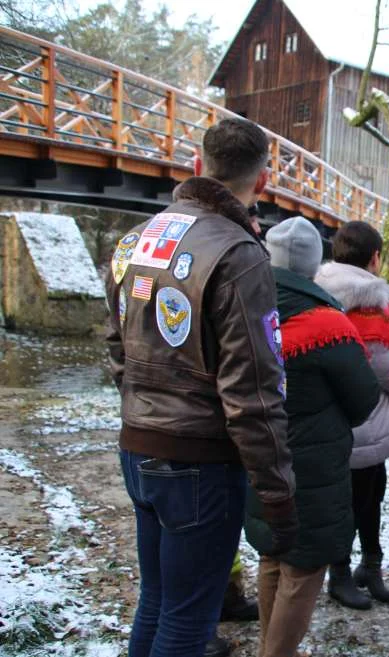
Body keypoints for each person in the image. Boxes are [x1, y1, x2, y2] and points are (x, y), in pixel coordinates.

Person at [105, 117, 297, 656]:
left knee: (158, 601)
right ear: (262, 182)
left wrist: (143, 406)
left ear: (196, 165)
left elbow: (116, 342)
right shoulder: (240, 254)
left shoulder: (136, 239)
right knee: (188, 620)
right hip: (201, 462)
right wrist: (279, 495)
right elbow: (255, 390)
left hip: (138, 446)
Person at [244, 217, 379, 657]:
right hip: (314, 469)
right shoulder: (329, 325)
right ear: (315, 265)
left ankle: (270, 645)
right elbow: (363, 401)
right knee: (303, 570)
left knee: (271, 555)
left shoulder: (242, 310)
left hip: (257, 455)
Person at [315, 221, 389, 609]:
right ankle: (342, 573)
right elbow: (388, 369)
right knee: (357, 501)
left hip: (333, 417)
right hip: (365, 419)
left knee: (367, 494)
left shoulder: (321, 292)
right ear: (375, 258)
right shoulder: (368, 309)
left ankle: (367, 568)